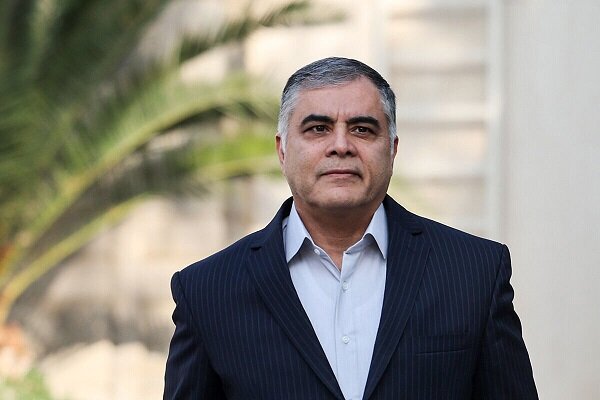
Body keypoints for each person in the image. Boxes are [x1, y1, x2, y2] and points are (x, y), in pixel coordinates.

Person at [163, 57, 538, 399]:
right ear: (282, 150)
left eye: (362, 129)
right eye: (318, 128)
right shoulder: (207, 292)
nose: (340, 145)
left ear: (392, 149)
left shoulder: (474, 273)